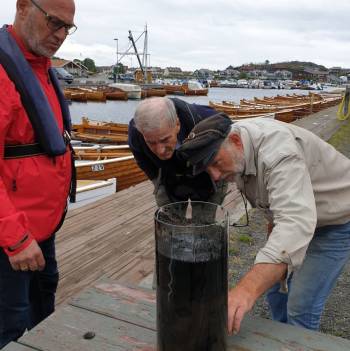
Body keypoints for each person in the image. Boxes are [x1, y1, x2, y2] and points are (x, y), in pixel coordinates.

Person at [178, 113, 350, 334]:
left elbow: (295, 223)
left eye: (216, 163)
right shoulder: (235, 144)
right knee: (276, 291)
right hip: (302, 212)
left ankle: (299, 341)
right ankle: (281, 336)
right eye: (207, 169)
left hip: (336, 220)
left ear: (236, 142)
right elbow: (277, 204)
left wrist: (244, 291)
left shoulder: (279, 154)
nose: (215, 176)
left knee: (301, 305)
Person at [0, 0, 76, 346]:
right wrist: (15, 239)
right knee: (9, 325)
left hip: (43, 230)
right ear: (21, 7)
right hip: (11, 241)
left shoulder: (40, 68)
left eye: (67, 28)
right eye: (53, 22)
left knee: (45, 312)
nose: (60, 35)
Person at [128, 96, 228, 207]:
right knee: (169, 219)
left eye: (165, 139)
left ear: (177, 124)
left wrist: (218, 172)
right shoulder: (136, 132)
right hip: (170, 176)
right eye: (151, 143)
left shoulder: (208, 121)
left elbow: (232, 145)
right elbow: (140, 156)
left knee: (203, 221)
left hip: (206, 174)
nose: (160, 151)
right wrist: (157, 180)